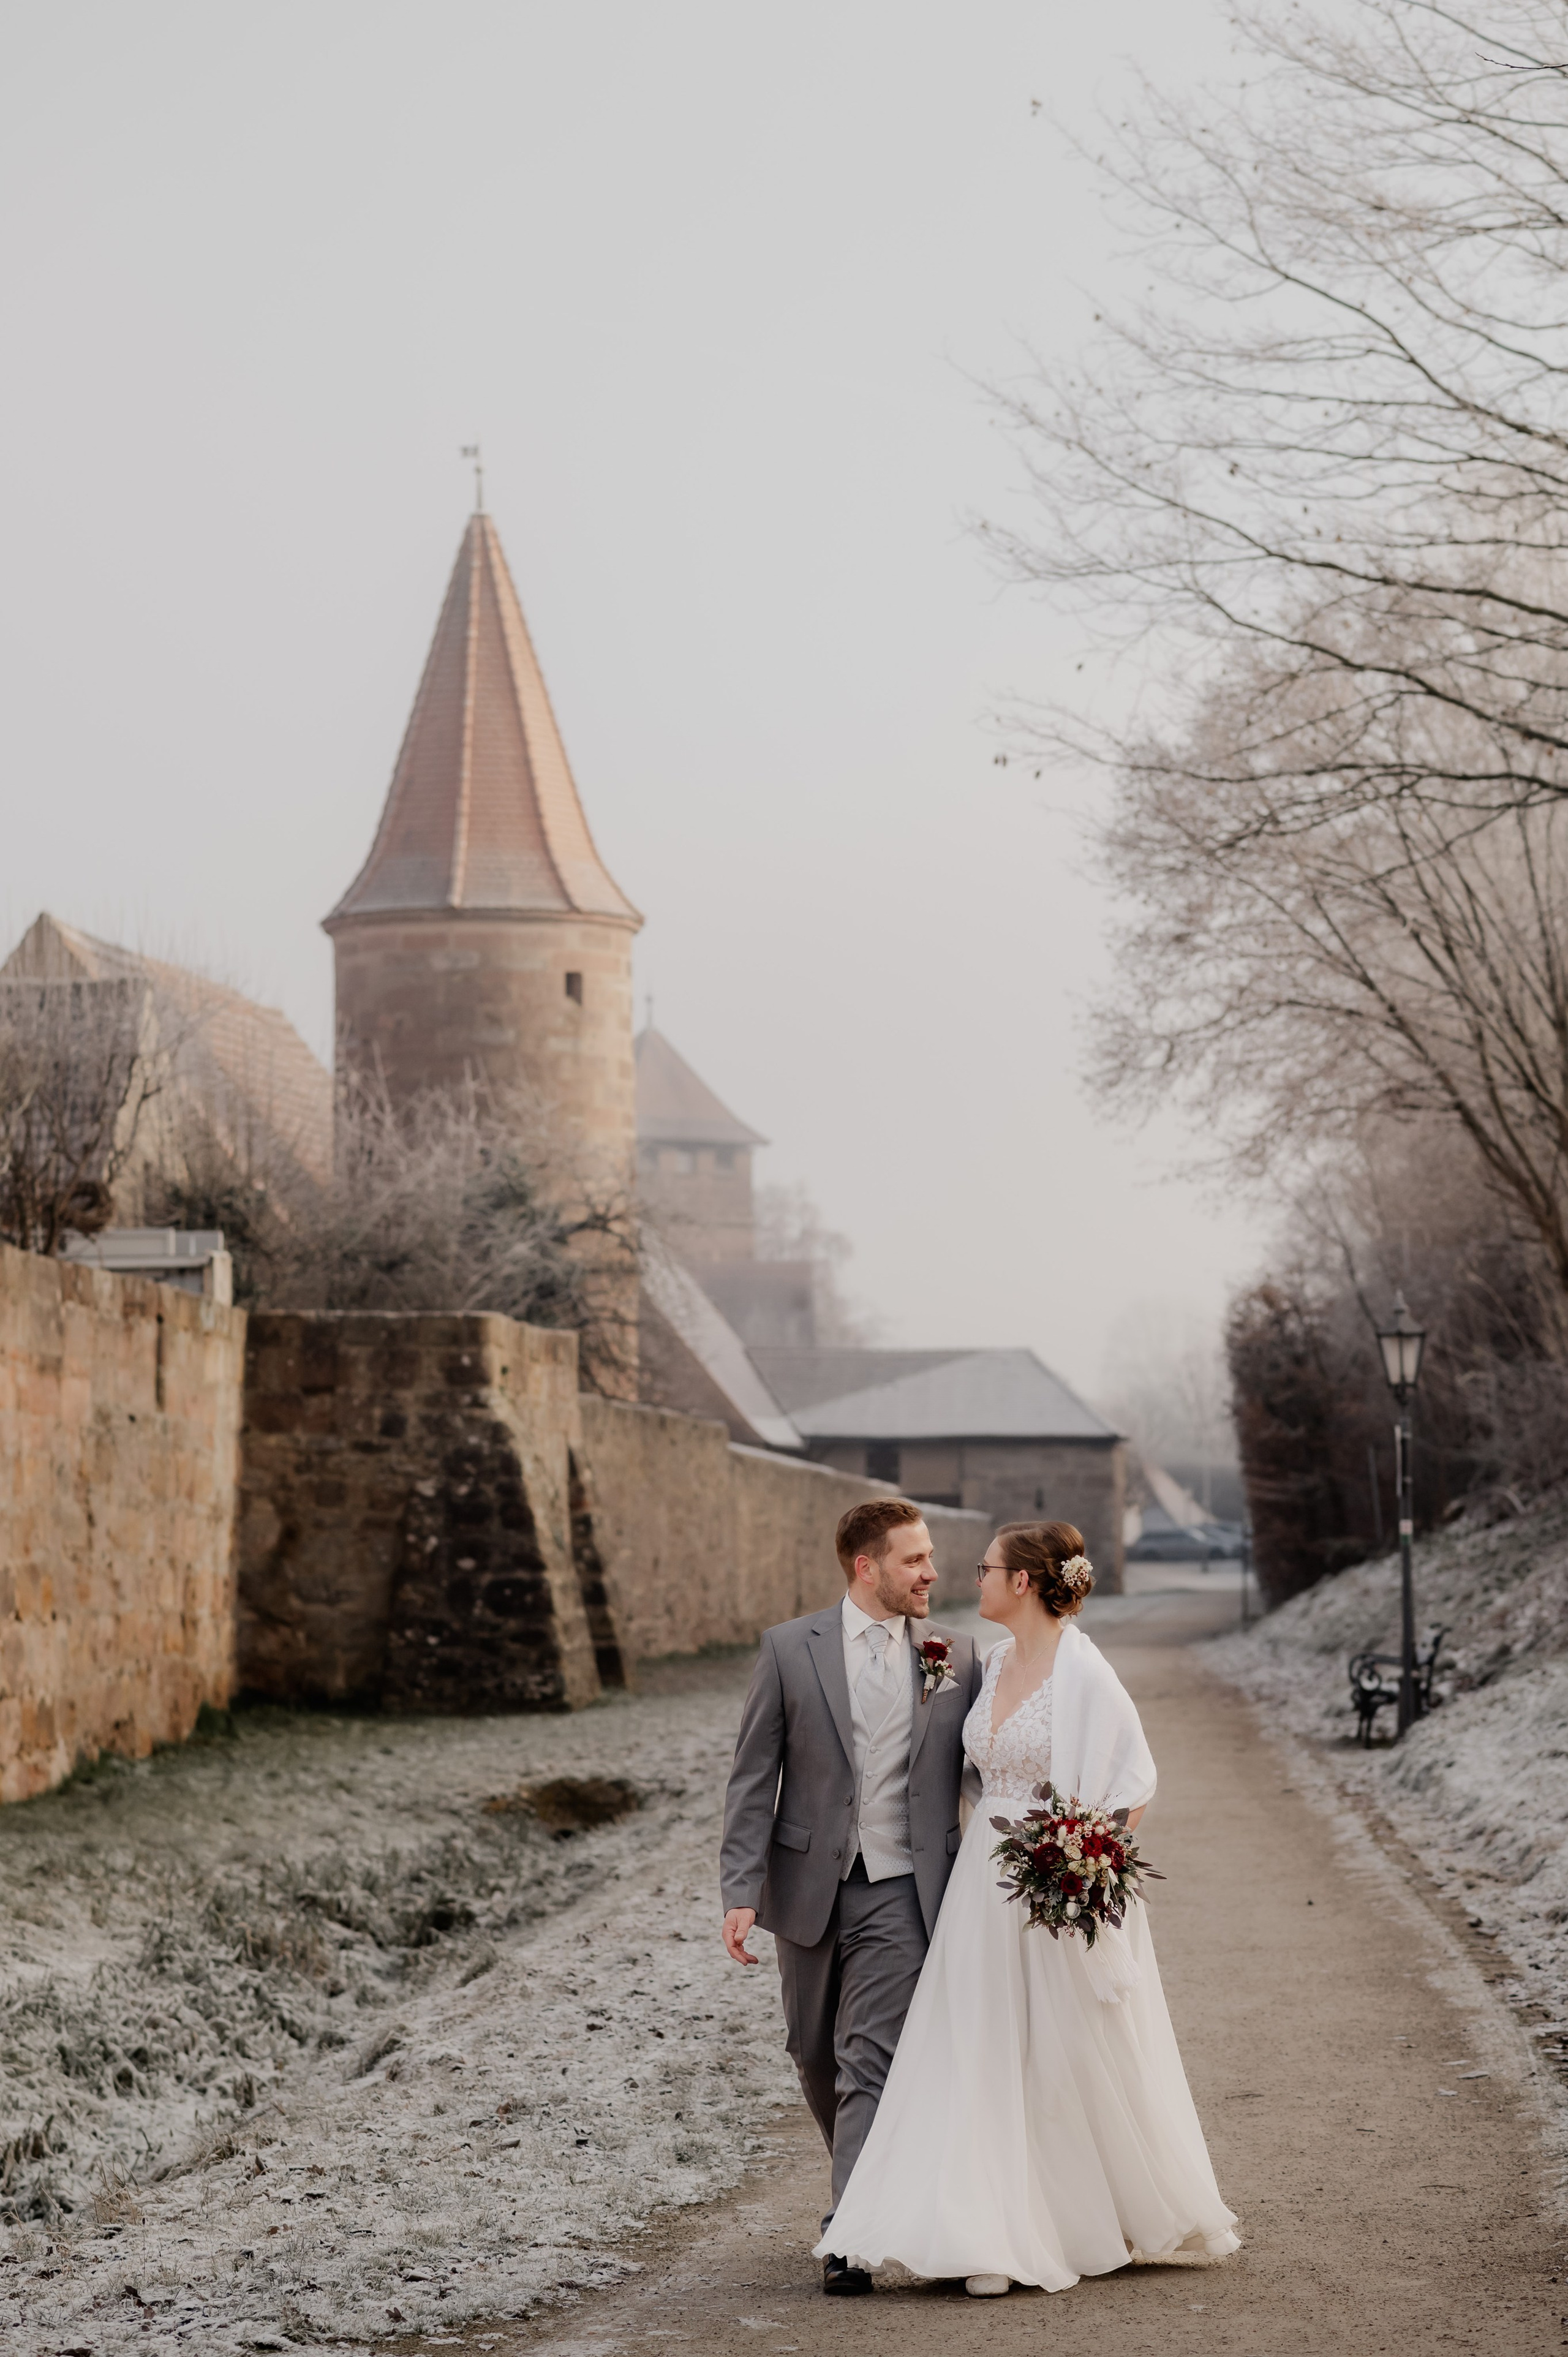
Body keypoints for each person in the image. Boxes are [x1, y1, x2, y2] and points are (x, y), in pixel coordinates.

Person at [816, 1520, 1241, 2298]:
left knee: (1056, 2051)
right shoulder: (990, 1661)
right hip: (980, 1881)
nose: (967, 1578)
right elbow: (964, 1765)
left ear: (1021, 1582)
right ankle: (981, 2225)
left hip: (1047, 1883)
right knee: (974, 2048)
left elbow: (1134, 1782)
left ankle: (1059, 2217)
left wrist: (1079, 1857)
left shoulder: (1085, 1673)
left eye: (984, 1568)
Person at [718, 1498, 984, 2297]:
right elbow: (751, 1777)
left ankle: (850, 2227)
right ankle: (874, 2181)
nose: (931, 1573)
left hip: (905, 1887)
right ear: (865, 1567)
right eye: (914, 1560)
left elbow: (980, 1761)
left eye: (931, 1557)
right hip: (807, 1886)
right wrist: (738, 1888)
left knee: (867, 2056)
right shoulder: (790, 1650)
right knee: (812, 2054)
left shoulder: (951, 1654)